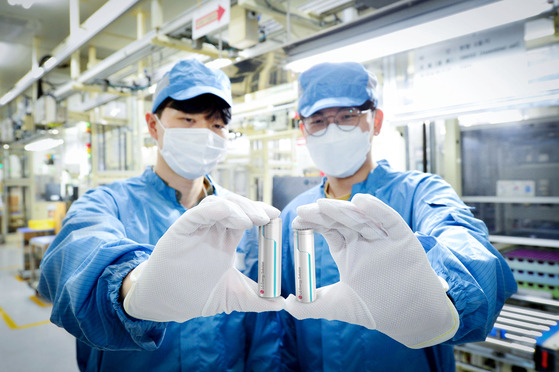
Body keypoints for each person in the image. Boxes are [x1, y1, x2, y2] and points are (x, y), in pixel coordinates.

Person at [38, 59, 284, 372]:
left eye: (217, 125)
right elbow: (75, 258)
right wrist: (136, 285)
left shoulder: (240, 220)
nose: (205, 134)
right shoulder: (107, 203)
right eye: (188, 120)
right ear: (154, 126)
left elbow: (263, 327)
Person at [279, 62, 517, 371]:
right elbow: (280, 326)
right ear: (304, 130)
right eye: (318, 120)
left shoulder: (420, 192)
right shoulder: (294, 217)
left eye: (348, 116)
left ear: (375, 121)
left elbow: (462, 239)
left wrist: (444, 299)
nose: (332, 129)